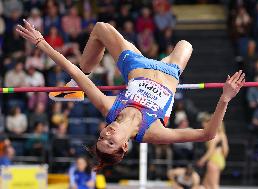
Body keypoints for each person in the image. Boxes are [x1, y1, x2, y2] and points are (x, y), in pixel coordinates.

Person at [16, 20, 245, 170]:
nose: (107, 135)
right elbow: (208, 134)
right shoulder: (152, 132)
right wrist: (224, 99)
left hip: (136, 65)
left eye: (101, 138)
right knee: (186, 44)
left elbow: (73, 70)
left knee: (101, 28)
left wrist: (41, 43)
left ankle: (74, 88)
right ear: (124, 146)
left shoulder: (109, 109)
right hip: (169, 71)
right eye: (111, 142)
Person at [197, 113, 229, 189]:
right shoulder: (222, 135)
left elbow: (210, 151)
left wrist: (202, 160)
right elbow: (226, 150)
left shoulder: (213, 136)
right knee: (206, 185)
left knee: (213, 185)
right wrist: (221, 158)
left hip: (213, 161)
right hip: (220, 159)